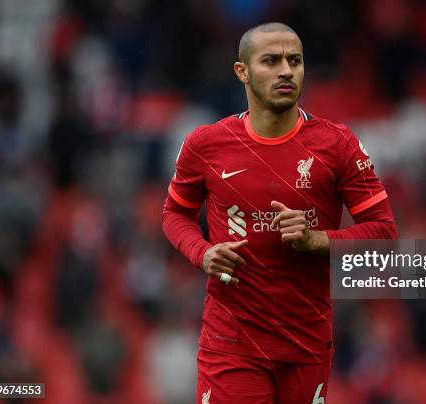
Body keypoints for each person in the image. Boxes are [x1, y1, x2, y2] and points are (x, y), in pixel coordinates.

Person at [162, 22, 397, 404]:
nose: (286, 70)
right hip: (232, 342)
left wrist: (317, 240)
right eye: (271, 61)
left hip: (306, 343)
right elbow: (175, 214)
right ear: (243, 72)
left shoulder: (336, 145)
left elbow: (384, 233)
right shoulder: (206, 145)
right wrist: (201, 252)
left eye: (295, 61)